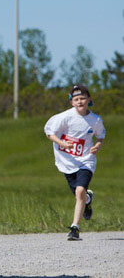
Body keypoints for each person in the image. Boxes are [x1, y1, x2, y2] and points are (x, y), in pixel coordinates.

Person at [44, 84, 105, 241]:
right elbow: (50, 132)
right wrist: (63, 144)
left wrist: (97, 146)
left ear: (89, 100)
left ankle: (74, 229)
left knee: (79, 192)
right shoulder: (64, 117)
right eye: (76, 99)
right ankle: (88, 200)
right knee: (80, 195)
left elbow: (100, 136)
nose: (80, 102)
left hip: (86, 160)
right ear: (71, 102)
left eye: (83, 98)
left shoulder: (95, 119)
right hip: (67, 162)